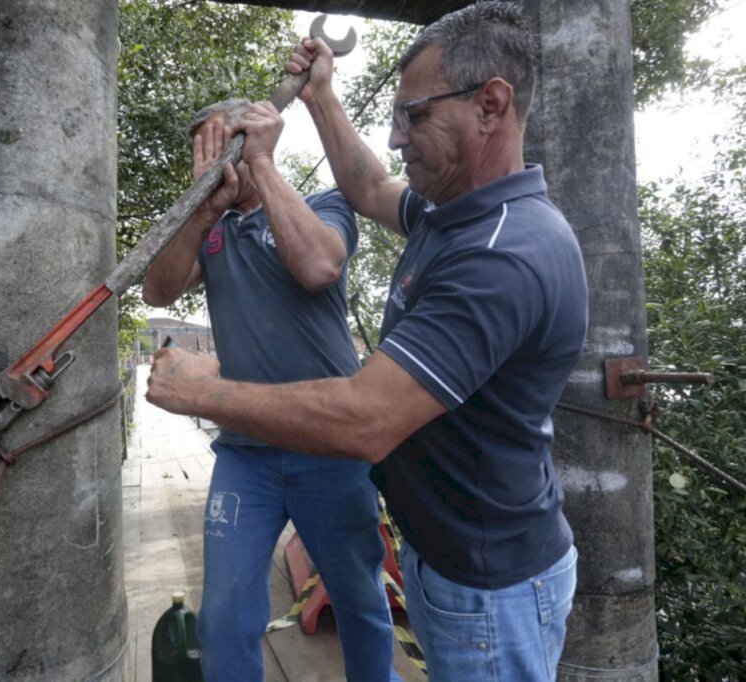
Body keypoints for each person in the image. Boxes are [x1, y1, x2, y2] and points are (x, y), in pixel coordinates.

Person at [146, 3, 589, 681]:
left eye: (414, 116)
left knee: (361, 604)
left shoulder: (502, 254)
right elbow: (369, 184)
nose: (397, 137)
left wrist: (203, 391)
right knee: (231, 616)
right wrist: (321, 95)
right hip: (442, 551)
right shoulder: (449, 215)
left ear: (491, 107)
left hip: (485, 577)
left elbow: (363, 412)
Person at [142, 100, 401, 681]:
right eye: (203, 155)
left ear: (251, 143)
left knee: (360, 601)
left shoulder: (325, 207)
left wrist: (260, 165)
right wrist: (198, 212)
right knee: (224, 620)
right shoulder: (212, 234)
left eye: (221, 148)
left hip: (330, 448)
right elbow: (157, 291)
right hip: (246, 456)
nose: (213, 165)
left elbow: (318, 267)